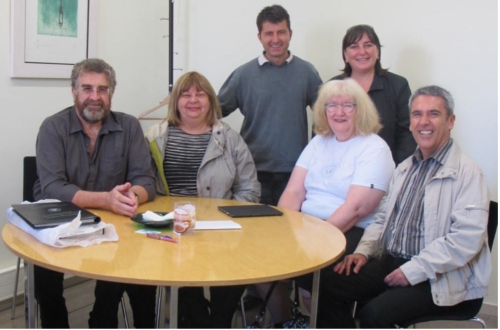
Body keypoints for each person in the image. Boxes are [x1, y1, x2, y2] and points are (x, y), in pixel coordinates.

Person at [318, 85, 491, 328]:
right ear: (410, 123)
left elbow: (466, 240)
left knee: (375, 313)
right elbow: (382, 220)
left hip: (438, 276)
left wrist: (414, 270)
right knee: (327, 283)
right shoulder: (405, 168)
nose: (423, 122)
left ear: (450, 121)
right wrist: (363, 252)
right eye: (417, 114)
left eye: (434, 114)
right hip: (393, 261)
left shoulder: (468, 173)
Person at [256, 79, 395, 326]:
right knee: (261, 255)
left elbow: (355, 209)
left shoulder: (375, 148)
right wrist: (280, 230)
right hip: (309, 225)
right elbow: (293, 193)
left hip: (353, 230)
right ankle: (286, 321)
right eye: (331, 105)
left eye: (347, 106)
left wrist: (314, 238)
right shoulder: (319, 142)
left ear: (360, 110)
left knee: (317, 274)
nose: (338, 112)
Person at [33, 58, 157, 328]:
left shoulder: (129, 127)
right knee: (44, 273)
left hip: (113, 225)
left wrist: (130, 197)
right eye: (87, 88)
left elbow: (146, 179)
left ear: (111, 93)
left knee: (142, 266)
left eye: (102, 89)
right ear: (74, 91)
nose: (95, 97)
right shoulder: (53, 128)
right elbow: (52, 186)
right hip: (59, 220)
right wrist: (105, 200)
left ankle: (104, 318)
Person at [144, 71, 260, 328]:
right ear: (175, 101)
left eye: (200, 94)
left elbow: (249, 189)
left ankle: (217, 322)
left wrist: (225, 220)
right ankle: (198, 321)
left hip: (220, 225)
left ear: (211, 100)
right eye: (186, 95)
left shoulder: (230, 139)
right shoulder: (154, 137)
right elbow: (144, 185)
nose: (193, 100)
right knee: (182, 273)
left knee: (235, 270)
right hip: (172, 228)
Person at [218, 4, 322, 207]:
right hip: (252, 171)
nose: (275, 39)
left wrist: (317, 153)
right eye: (269, 33)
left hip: (296, 173)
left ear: (290, 34)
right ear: (260, 37)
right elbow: (213, 112)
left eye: (281, 32)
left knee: (290, 233)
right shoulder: (243, 75)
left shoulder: (307, 72)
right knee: (256, 232)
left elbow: (326, 115)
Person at [332, 24, 416, 165]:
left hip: (387, 171)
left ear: (377, 51)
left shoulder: (398, 85)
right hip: (340, 170)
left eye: (368, 45)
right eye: (354, 47)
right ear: (345, 55)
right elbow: (322, 133)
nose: (362, 52)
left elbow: (408, 132)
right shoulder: (333, 88)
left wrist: (395, 169)